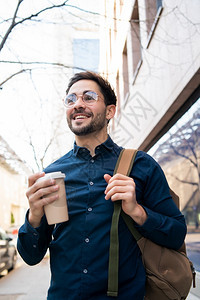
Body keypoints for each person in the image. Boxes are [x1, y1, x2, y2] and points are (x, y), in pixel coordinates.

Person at [17, 71, 187, 300]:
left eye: (88, 97)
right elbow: (31, 256)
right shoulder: (51, 175)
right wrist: (34, 217)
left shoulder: (141, 165)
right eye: (71, 99)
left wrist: (138, 212)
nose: (78, 104)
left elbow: (176, 234)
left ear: (110, 111)